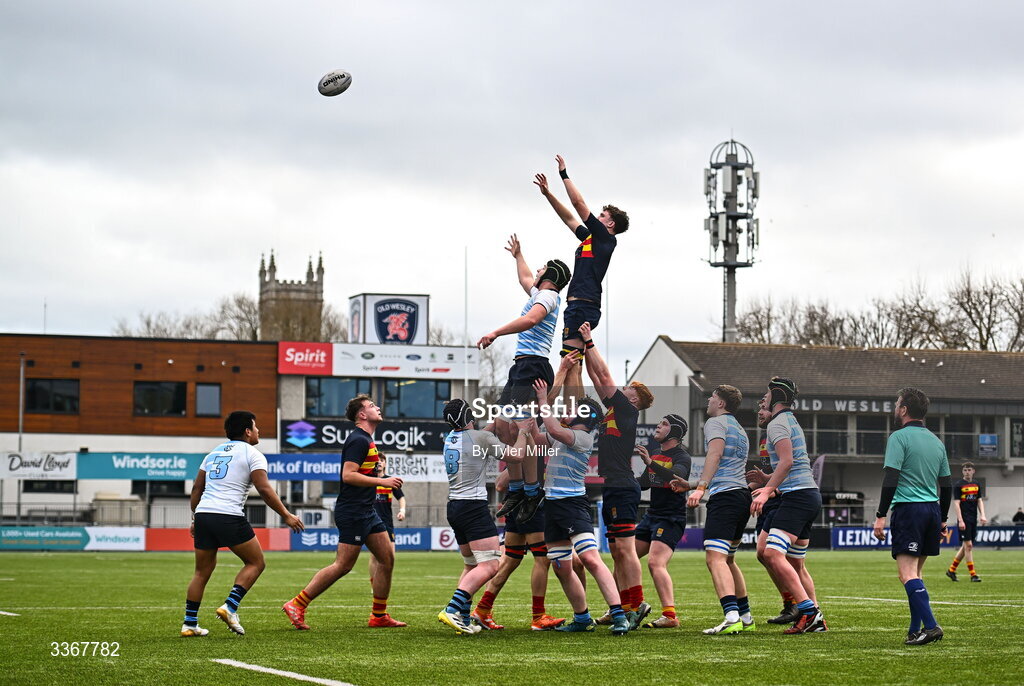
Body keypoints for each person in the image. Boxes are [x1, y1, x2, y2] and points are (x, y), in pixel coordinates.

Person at [471, 356, 584, 632]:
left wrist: (508, 476)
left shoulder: (503, 414)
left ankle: (482, 609)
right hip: (531, 502)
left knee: (510, 559)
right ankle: (538, 616)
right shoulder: (526, 417)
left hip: (518, 497)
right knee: (542, 558)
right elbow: (548, 397)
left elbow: (509, 464)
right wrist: (561, 371)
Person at [283, 395, 407, 630]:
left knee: (387, 558)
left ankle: (378, 615)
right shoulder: (358, 440)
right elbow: (347, 475)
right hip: (353, 512)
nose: (378, 407)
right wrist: (383, 482)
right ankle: (297, 604)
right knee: (343, 565)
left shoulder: (367, 440)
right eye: (372, 406)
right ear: (361, 415)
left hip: (366, 511)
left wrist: (379, 482)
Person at [183, 410, 303, 637]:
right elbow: (265, 489)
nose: (259, 431)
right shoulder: (253, 454)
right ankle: (230, 606)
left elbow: (197, 488)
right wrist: (286, 515)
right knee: (256, 563)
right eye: (256, 427)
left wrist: (195, 517)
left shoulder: (212, 454)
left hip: (204, 515)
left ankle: (189, 624)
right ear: (248, 431)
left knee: (201, 572)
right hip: (228, 515)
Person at [526, 374, 630, 635]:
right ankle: (582, 618)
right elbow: (541, 439)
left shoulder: (581, 438)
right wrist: (527, 428)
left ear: (585, 417)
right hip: (553, 505)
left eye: (575, 409)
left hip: (572, 505)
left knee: (591, 559)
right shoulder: (566, 435)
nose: (569, 412)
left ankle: (618, 614)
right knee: (561, 566)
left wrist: (542, 400)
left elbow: (552, 430)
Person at [478, 234, 571, 524]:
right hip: (522, 367)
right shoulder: (540, 293)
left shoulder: (548, 296)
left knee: (522, 430)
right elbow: (526, 278)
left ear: (551, 275)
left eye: (542, 268)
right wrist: (519, 255)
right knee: (505, 429)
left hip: (531, 366)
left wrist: (496, 332)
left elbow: (530, 320)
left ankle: (531, 490)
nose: (537, 270)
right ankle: (520, 489)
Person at [533, 155, 629, 426]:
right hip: (578, 304)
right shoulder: (589, 238)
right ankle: (574, 414)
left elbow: (578, 204)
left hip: (584, 304)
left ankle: (574, 416)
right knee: (572, 362)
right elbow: (568, 216)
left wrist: (564, 175)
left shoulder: (605, 239)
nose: (597, 218)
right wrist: (548, 194)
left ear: (609, 224)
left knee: (571, 361)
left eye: (602, 216)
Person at [578, 321, 654, 629]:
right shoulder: (616, 408)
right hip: (615, 486)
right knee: (618, 553)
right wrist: (582, 356)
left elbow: (606, 377)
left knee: (624, 549)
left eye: (627, 389)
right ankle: (623, 604)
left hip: (622, 486)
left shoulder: (627, 409)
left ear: (633, 398)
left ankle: (636, 604)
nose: (621, 389)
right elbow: (600, 381)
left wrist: (589, 341)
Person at [872, 387, 952, 646]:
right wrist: (943, 518)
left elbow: (891, 478)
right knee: (915, 573)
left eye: (897, 404)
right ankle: (914, 629)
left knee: (907, 574)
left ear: (904, 409)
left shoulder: (898, 437)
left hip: (909, 510)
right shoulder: (936, 441)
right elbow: (947, 484)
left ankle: (931, 627)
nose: (895, 408)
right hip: (932, 509)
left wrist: (880, 515)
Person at [750, 378, 827, 634]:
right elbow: (793, 465)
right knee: (795, 563)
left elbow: (787, 462)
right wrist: (768, 481)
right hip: (805, 495)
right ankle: (815, 617)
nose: (763, 399)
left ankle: (809, 612)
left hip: (797, 498)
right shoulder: (789, 420)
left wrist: (767, 491)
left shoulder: (777, 423)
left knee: (772, 554)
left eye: (766, 395)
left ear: (776, 397)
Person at [437, 398, 512, 634]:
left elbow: (479, 434)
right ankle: (452, 609)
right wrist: (526, 433)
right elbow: (516, 455)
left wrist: (496, 420)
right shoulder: (480, 438)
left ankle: (461, 616)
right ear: (469, 415)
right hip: (473, 507)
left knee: (471, 564)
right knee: (491, 564)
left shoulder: (451, 438)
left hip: (455, 507)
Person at [686, 385, 753, 635]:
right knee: (729, 559)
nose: (709, 400)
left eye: (712, 397)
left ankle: (731, 616)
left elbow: (714, 455)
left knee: (715, 558)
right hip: (741, 496)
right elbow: (729, 466)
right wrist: (692, 484)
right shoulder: (740, 429)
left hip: (725, 498)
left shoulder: (715, 423)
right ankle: (745, 616)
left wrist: (700, 488)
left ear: (721, 403)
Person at [746, 401, 802, 625]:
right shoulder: (765, 437)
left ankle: (803, 607)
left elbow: (791, 465)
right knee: (765, 554)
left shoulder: (781, 429)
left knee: (773, 554)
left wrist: (771, 489)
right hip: (769, 499)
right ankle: (793, 604)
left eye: (763, 407)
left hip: (784, 499)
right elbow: (771, 471)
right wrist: (753, 487)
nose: (759, 411)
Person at [634, 414, 691, 628]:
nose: (658, 426)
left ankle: (670, 616)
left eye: (664, 424)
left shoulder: (682, 457)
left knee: (655, 563)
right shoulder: (657, 455)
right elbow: (644, 484)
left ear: (675, 432)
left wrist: (650, 463)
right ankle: (623, 608)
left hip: (671, 518)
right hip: (652, 515)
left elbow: (676, 478)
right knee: (625, 558)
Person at [369, 454, 406, 587]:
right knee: (374, 556)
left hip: (387, 523)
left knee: (390, 557)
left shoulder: (390, 481)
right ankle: (374, 584)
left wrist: (402, 511)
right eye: (376, 460)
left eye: (382, 460)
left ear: (385, 464)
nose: (379, 462)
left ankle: (381, 583)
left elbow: (401, 498)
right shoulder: (368, 481)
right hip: (371, 522)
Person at [946, 461, 988, 582]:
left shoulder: (976, 484)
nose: (967, 472)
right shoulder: (959, 485)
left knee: (966, 546)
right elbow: (956, 503)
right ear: (962, 472)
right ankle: (973, 575)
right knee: (968, 546)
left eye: (969, 470)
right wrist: (960, 520)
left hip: (973, 518)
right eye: (965, 470)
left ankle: (951, 570)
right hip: (964, 519)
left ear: (973, 471)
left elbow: (979, 500)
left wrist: (983, 515)